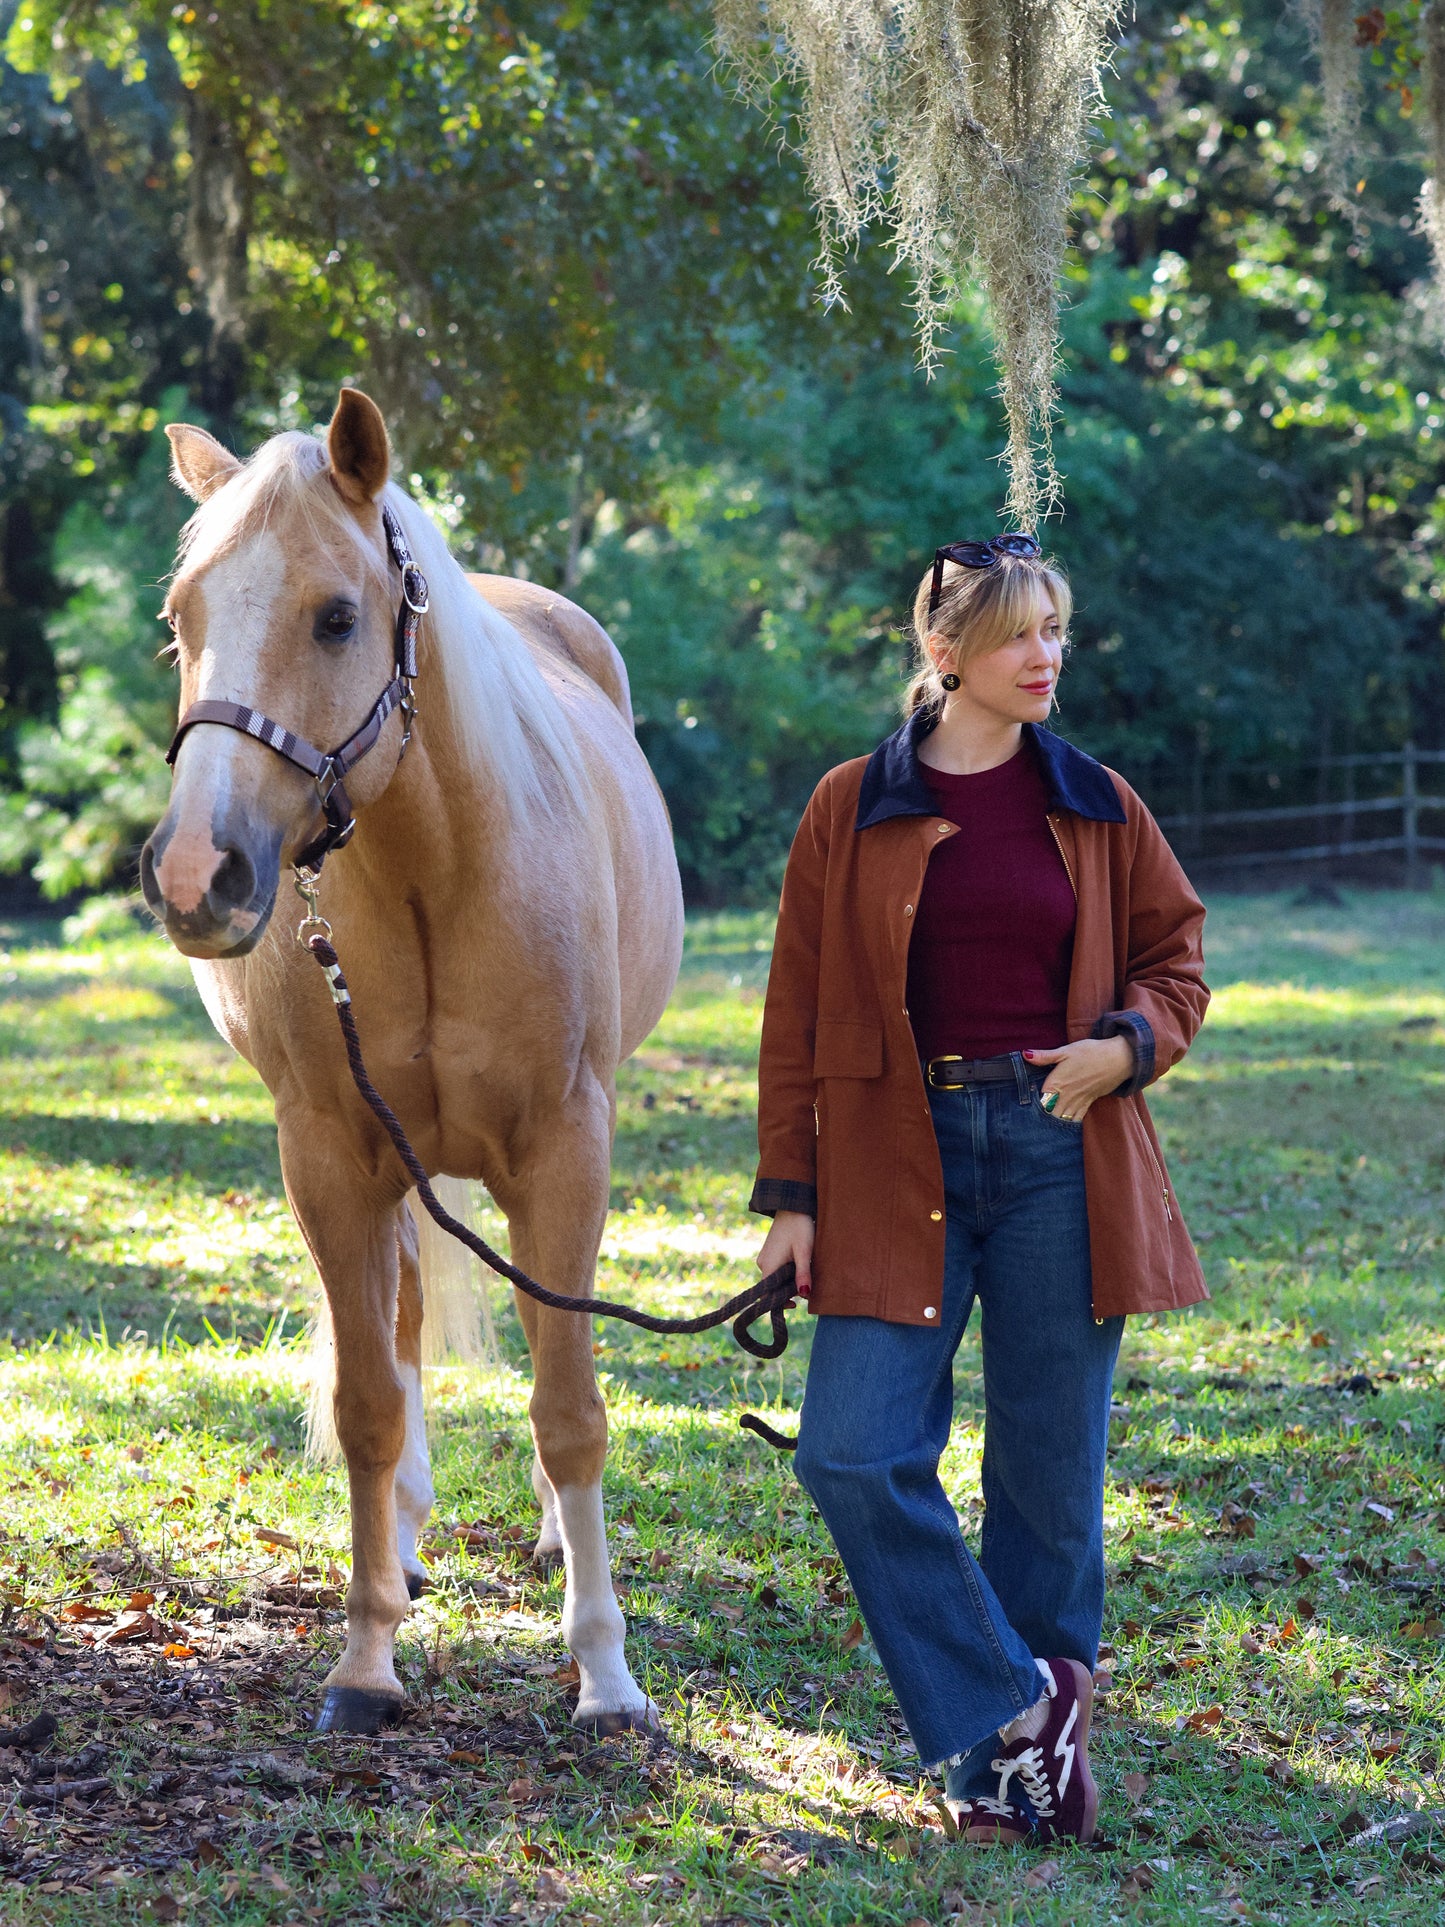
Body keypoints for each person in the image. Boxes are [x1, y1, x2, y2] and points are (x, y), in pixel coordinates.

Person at [751, 534, 1209, 1845]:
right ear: (944, 651)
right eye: (1019, 633)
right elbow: (794, 1017)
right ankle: (1015, 1704)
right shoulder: (850, 805)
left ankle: (1018, 1781)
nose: (1046, 654)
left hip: (1064, 1150)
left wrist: (1124, 1047)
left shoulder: (1097, 800)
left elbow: (1175, 960)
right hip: (895, 1160)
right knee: (851, 1452)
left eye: (1056, 629)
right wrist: (791, 1193)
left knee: (1046, 1485)